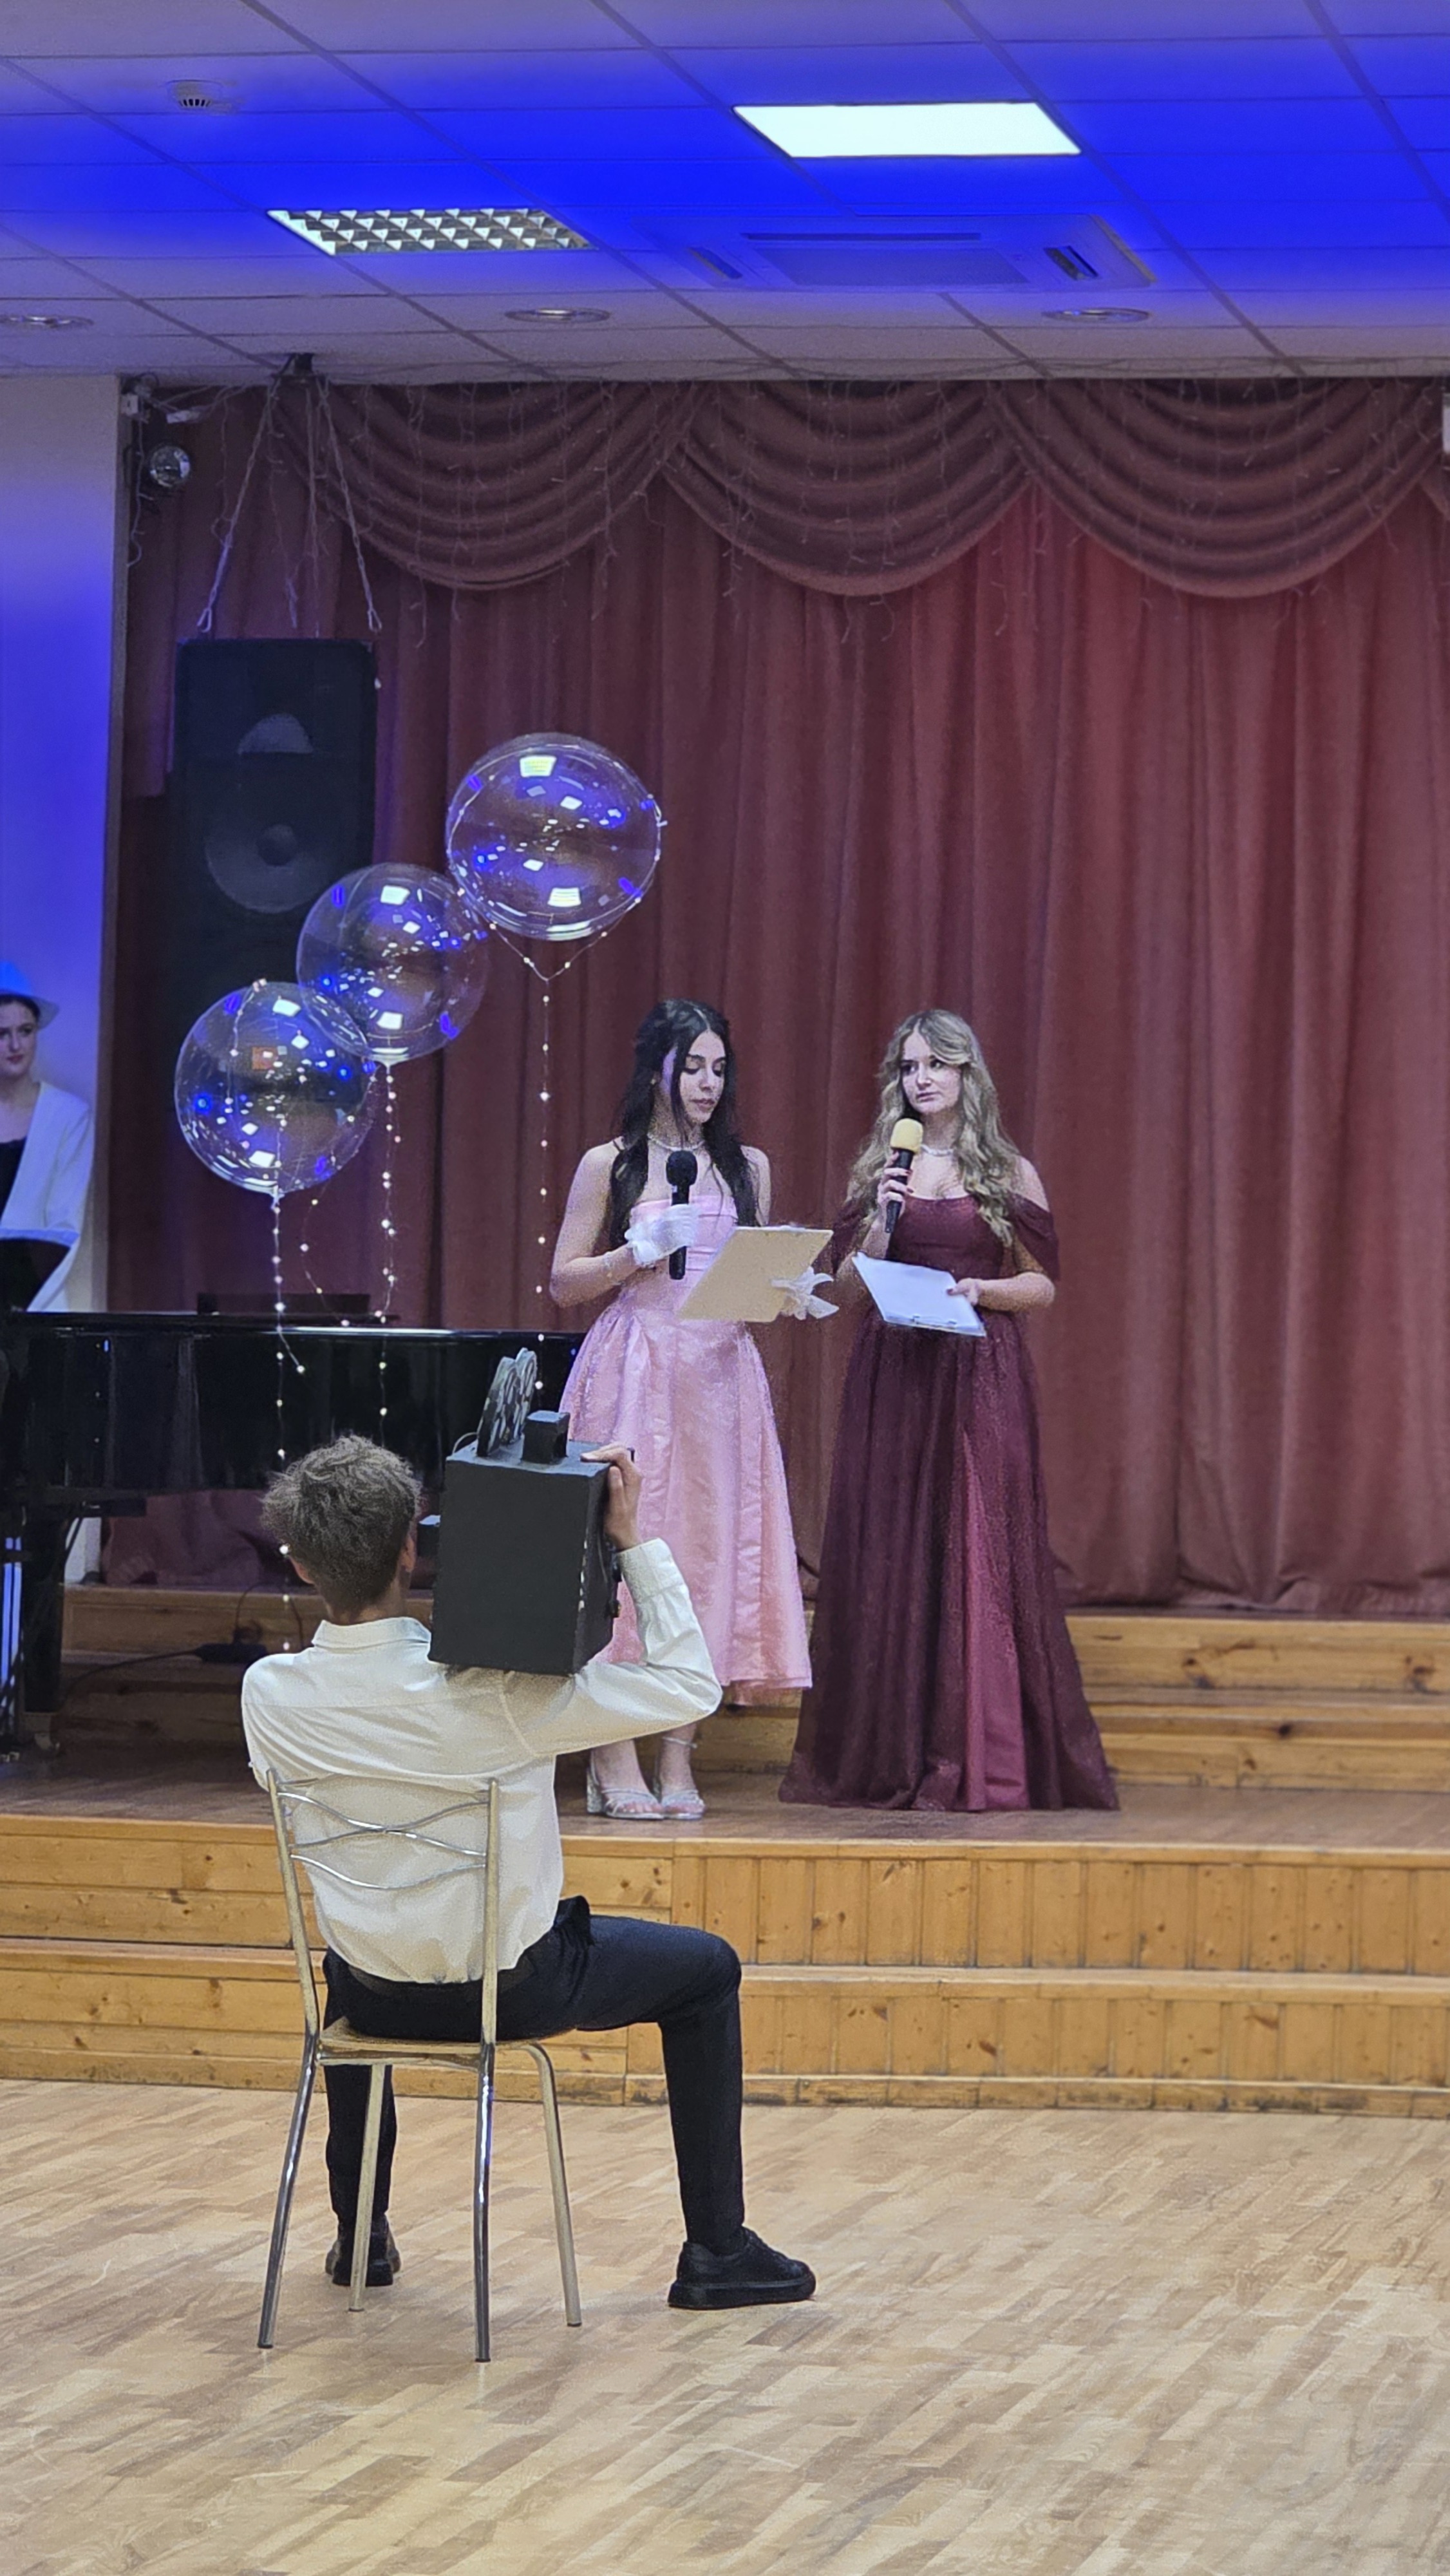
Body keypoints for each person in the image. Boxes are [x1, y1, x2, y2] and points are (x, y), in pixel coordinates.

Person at [241, 1432, 814, 2312]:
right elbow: (687, 1687)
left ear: (302, 1566)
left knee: (350, 1960)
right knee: (708, 1971)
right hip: (515, 1992)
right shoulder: (496, 1694)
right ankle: (718, 2251)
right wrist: (630, 1542)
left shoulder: (267, 1694)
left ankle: (360, 2235)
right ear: (410, 1549)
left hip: (376, 1995)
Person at [782, 1010, 1117, 1815]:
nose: (920, 1079)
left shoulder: (1006, 1170)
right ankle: (888, 1750)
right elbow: (844, 1289)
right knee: (894, 1547)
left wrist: (982, 1289)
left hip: (976, 1369)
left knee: (973, 1541)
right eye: (908, 1067)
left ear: (968, 1075)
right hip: (894, 1372)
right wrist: (880, 1223)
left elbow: (1041, 1284)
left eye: (936, 1064)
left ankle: (979, 1752)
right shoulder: (880, 1171)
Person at [549, 1000, 812, 1821]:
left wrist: (787, 1290)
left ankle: (676, 1751)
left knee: (706, 1556)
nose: (707, 1083)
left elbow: (746, 1275)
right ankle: (610, 1753)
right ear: (656, 1067)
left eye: (718, 1068)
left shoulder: (746, 1166)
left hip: (719, 1382)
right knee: (620, 1555)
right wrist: (633, 1251)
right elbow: (563, 1282)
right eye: (692, 1065)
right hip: (633, 1366)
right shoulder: (611, 1162)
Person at [0, 961, 93, 1311]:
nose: (15, 1045)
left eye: (25, 1031)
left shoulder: (69, 1117)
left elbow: (64, 1231)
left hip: (38, 1308)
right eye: (2, 1034)